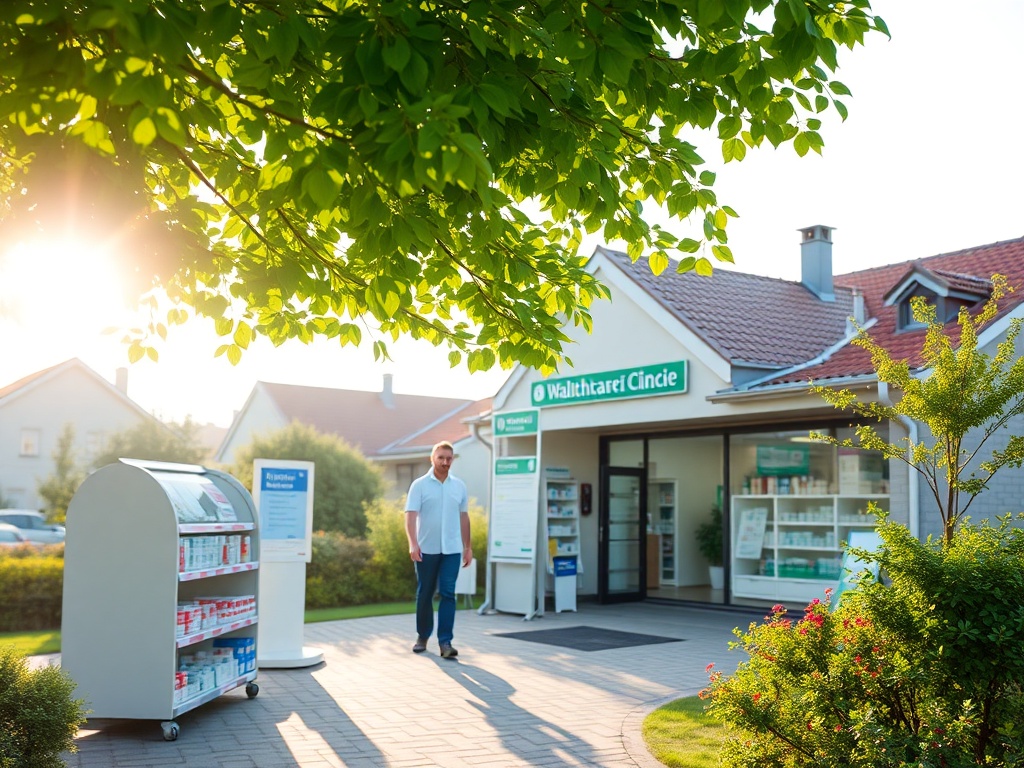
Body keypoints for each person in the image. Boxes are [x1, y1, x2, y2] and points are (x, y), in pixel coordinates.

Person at [404, 440, 471, 659]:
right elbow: (410, 516)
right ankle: (423, 636)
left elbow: (464, 517)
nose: (445, 462)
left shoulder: (459, 486)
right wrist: (413, 543)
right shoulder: (419, 485)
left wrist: (468, 547)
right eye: (441, 458)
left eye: (449, 458)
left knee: (448, 593)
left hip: (452, 549)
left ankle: (445, 642)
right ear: (432, 459)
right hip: (426, 549)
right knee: (425, 593)